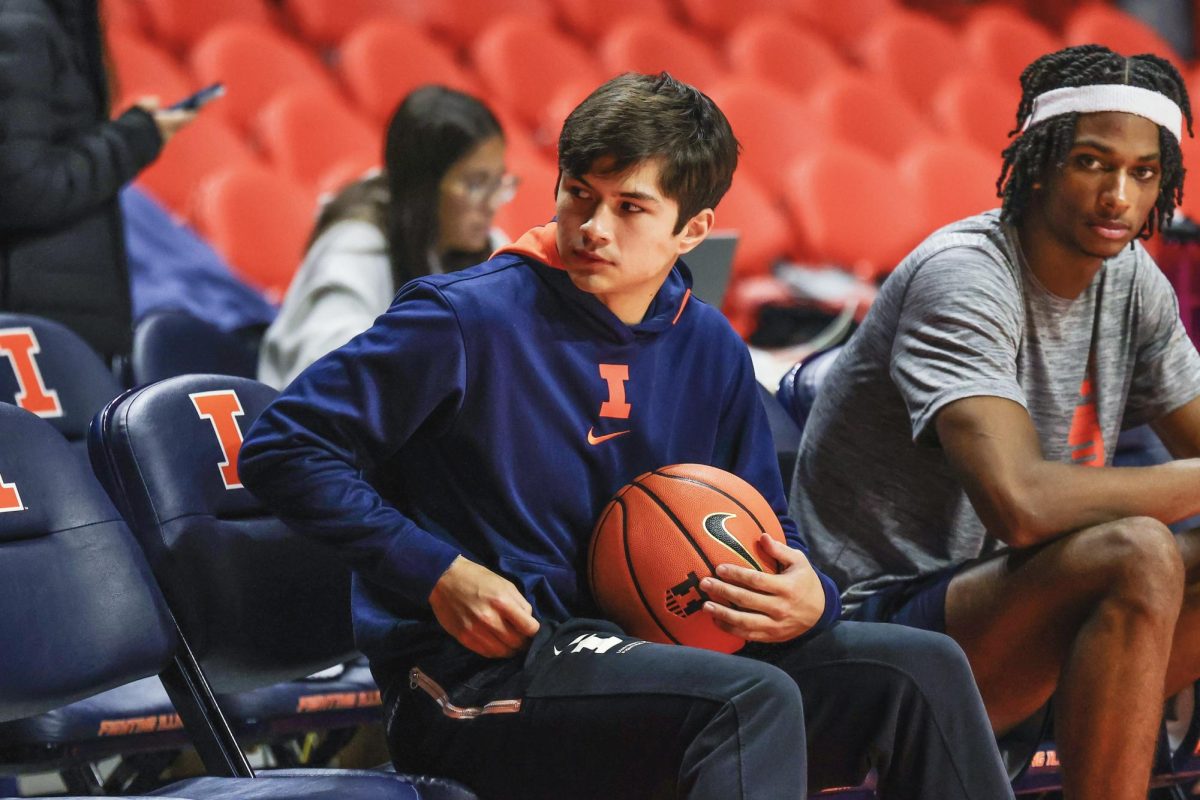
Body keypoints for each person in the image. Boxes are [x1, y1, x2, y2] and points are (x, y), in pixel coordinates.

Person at [240, 72, 1013, 799]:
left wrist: (808, 589)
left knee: (922, 670)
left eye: (630, 207)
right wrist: (437, 572)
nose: (593, 227)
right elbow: (282, 446)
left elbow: (761, 521)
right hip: (480, 678)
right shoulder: (463, 319)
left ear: (693, 229)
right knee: (748, 702)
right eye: (580, 195)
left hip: (655, 650)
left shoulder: (707, 344)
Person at [789, 45, 1200, 799]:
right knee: (1139, 550)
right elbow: (1022, 506)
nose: (1118, 195)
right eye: (1092, 162)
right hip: (876, 625)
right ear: (1040, 162)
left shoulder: (1131, 278)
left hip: (1016, 613)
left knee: (1152, 550)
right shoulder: (965, 277)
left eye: (1143, 173)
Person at [257, 85, 514, 389]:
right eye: (474, 184)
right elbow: (332, 382)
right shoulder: (353, 249)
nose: (493, 203)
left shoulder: (488, 247)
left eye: (497, 182)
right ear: (424, 187)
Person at [0, 0, 194, 363]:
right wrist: (135, 137)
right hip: (37, 328)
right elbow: (23, 190)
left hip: (56, 316)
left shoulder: (55, 19)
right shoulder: (19, 26)